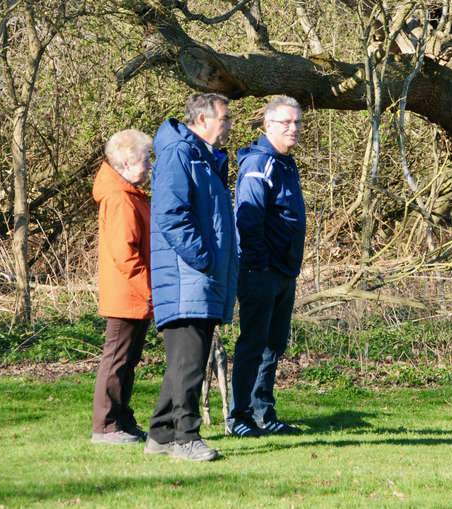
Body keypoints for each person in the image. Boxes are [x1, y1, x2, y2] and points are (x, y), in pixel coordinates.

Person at [144, 93, 238, 461]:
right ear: (202, 120)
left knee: (187, 362)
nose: (230, 124)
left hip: (200, 277)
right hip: (187, 277)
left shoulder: (205, 159)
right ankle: (186, 438)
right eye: (225, 118)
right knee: (189, 364)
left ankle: (161, 434)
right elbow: (171, 214)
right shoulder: (180, 155)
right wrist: (204, 258)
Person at [226, 95, 306, 437]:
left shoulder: (287, 164)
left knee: (274, 344)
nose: (293, 128)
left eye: (297, 122)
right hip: (260, 271)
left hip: (285, 272)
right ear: (268, 125)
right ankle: (239, 416)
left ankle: (263, 411)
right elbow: (249, 218)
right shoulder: (260, 164)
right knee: (253, 344)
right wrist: (258, 265)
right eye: (286, 122)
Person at [91, 129, 154, 444]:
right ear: (128, 162)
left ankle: (122, 420)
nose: (150, 165)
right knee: (117, 360)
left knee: (128, 362)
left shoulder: (130, 194)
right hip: (127, 294)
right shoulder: (119, 199)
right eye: (146, 159)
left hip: (134, 294)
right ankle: (105, 425)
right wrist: (150, 291)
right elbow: (126, 255)